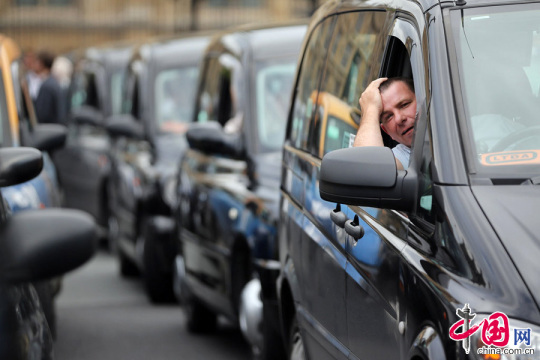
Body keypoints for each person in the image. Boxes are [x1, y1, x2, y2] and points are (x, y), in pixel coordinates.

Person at [353, 77, 416, 170]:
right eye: (389, 116)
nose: (399, 119)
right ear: (387, 131)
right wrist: (370, 109)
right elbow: (367, 169)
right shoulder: (403, 158)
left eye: (404, 105)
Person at [33, 50, 66, 125]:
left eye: (36, 62)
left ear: (41, 63)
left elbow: (42, 115)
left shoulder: (47, 86)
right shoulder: (52, 82)